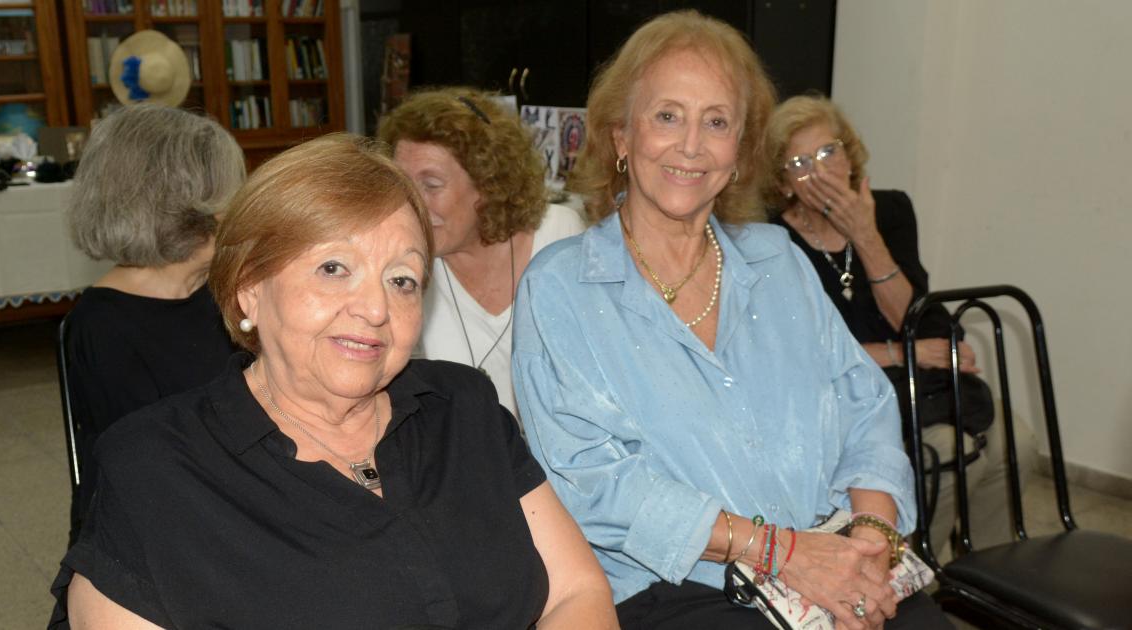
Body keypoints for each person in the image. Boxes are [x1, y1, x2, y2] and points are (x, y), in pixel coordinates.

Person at [49, 134, 618, 629]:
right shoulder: (154, 470)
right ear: (250, 287)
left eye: (402, 279)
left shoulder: (464, 408)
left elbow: (577, 591)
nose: (374, 308)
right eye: (333, 268)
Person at [512, 11, 951, 629]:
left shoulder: (779, 260)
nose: (691, 145)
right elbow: (592, 484)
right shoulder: (561, 288)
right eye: (667, 116)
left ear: (740, 152)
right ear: (620, 136)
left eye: (715, 122)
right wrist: (784, 553)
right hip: (680, 586)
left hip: (831, 547)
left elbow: (865, 405)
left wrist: (873, 541)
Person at [764, 95, 1034, 557]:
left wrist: (865, 234)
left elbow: (913, 317)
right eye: (801, 162)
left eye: (829, 152)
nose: (822, 170)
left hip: (917, 383)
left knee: (1020, 443)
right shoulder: (772, 241)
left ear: (850, 155)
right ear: (784, 183)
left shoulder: (890, 211)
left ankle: (985, 576)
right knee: (951, 453)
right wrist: (906, 353)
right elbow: (800, 355)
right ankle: (917, 574)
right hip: (843, 397)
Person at [63, 103, 244, 545]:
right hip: (162, 528)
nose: (241, 207)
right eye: (228, 195)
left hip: (232, 496)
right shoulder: (104, 325)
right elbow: (149, 468)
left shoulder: (216, 288)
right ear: (184, 208)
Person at [377, 87, 585, 419]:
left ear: (489, 187)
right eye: (401, 182)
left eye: (431, 185)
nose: (411, 203)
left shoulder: (560, 236)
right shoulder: (404, 267)